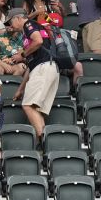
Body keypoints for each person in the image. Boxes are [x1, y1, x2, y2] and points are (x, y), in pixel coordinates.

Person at [11, 7, 58, 137]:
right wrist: (21, 89)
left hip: (44, 68)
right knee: (35, 109)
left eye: (11, 22)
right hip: (45, 68)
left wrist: (22, 54)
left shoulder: (28, 24)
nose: (10, 26)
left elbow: (38, 41)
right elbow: (31, 66)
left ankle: (43, 141)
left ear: (18, 18)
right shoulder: (29, 32)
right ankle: (43, 142)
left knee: (27, 105)